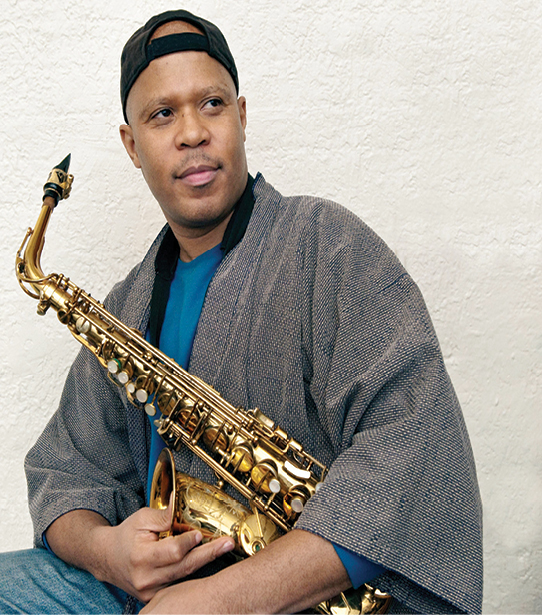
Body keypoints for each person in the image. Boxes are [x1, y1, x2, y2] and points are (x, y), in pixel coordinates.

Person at [0, 9, 483, 614]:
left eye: (211, 104)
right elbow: (61, 471)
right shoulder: (126, 304)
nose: (192, 133)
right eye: (162, 114)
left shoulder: (326, 245)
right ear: (131, 145)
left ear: (241, 115)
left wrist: (220, 600)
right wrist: (107, 552)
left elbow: (414, 452)